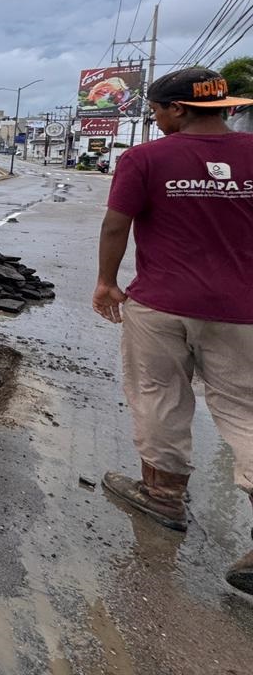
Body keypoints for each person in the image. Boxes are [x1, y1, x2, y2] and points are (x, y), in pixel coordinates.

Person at [92, 66, 253, 595]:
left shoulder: (144, 159)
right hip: (242, 311)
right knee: (247, 412)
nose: (156, 120)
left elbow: (117, 224)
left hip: (161, 304)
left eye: (157, 111)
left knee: (159, 396)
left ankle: (162, 496)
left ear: (178, 109)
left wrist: (106, 282)